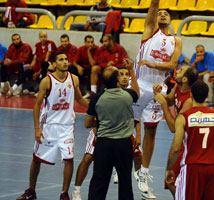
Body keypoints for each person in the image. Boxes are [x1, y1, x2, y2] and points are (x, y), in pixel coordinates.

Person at [16, 52, 89, 200]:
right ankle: (31, 190)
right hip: (48, 125)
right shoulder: (47, 81)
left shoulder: (73, 79)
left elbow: (80, 99)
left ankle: (64, 193)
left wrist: (96, 107)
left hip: (67, 126)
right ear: (54, 64)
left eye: (66, 59)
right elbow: (37, 106)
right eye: (61, 60)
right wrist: (37, 128)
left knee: (69, 159)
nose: (65, 62)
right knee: (37, 159)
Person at [132, 0, 182, 197]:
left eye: (166, 13)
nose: (162, 14)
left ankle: (144, 174)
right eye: (159, 12)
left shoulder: (176, 41)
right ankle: (122, 166)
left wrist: (151, 64)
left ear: (171, 19)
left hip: (156, 88)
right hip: (138, 85)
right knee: (129, 128)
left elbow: (172, 65)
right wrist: (155, 5)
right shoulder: (150, 30)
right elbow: (153, 6)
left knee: (150, 131)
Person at [71, 64, 142, 200]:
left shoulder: (97, 98)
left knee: (99, 182)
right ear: (117, 80)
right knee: (125, 182)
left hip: (103, 144)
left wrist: (102, 121)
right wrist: (132, 72)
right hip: (123, 144)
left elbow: (87, 123)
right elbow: (137, 94)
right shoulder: (128, 95)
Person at [165, 80, 214, 200]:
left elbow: (176, 148)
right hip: (213, 168)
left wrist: (169, 168)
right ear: (208, 95)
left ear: (191, 95)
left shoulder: (184, 117)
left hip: (192, 168)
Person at [153, 65, 198, 196]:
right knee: (172, 181)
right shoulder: (178, 88)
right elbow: (169, 99)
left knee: (171, 181)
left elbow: (173, 127)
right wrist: (159, 92)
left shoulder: (189, 100)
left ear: (184, 79)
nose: (177, 70)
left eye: (180, 70)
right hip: (183, 141)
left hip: (188, 146)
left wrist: (163, 104)